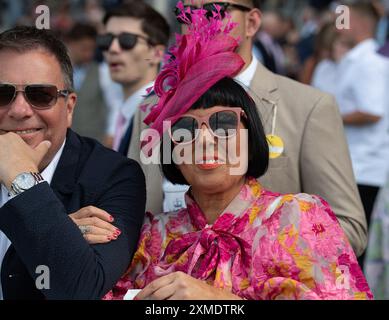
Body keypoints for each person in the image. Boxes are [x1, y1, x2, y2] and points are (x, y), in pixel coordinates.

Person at [98, 7, 372, 299]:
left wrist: (223, 300)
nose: (204, 140)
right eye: (185, 128)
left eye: (223, 122)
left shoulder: (297, 216)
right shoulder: (153, 237)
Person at [0, 26, 146, 300]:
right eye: (2, 94)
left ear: (69, 108)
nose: (19, 111)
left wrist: (22, 179)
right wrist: (64, 235)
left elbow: (79, 290)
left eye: (40, 95)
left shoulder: (114, 176)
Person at [334, 1, 389, 267]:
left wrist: (329, 118)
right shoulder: (361, 58)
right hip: (359, 165)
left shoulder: (368, 62)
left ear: (357, 22)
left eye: (342, 17)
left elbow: (372, 110)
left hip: (365, 167)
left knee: (356, 248)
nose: (338, 23)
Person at [99, 1, 170, 155]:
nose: (113, 49)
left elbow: (151, 180)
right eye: (107, 40)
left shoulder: (161, 117)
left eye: (127, 40)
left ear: (157, 53)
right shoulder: (125, 111)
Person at [65, 22, 109, 143]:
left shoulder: (102, 72)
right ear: (71, 43)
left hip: (94, 141)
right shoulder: (57, 71)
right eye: (84, 48)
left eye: (92, 49)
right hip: (65, 140)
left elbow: (110, 107)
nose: (88, 54)